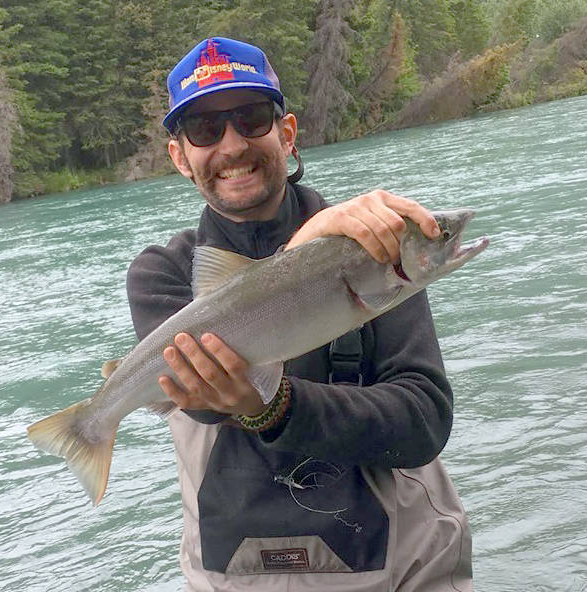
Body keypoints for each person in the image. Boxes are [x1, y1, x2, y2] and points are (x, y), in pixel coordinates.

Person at [126, 37, 472, 591]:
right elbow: (208, 408)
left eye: (251, 118)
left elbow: (423, 423)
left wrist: (276, 405)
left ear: (286, 133)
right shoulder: (161, 276)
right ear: (180, 157)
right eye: (205, 130)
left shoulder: (374, 246)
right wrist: (302, 256)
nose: (232, 145)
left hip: (404, 570)